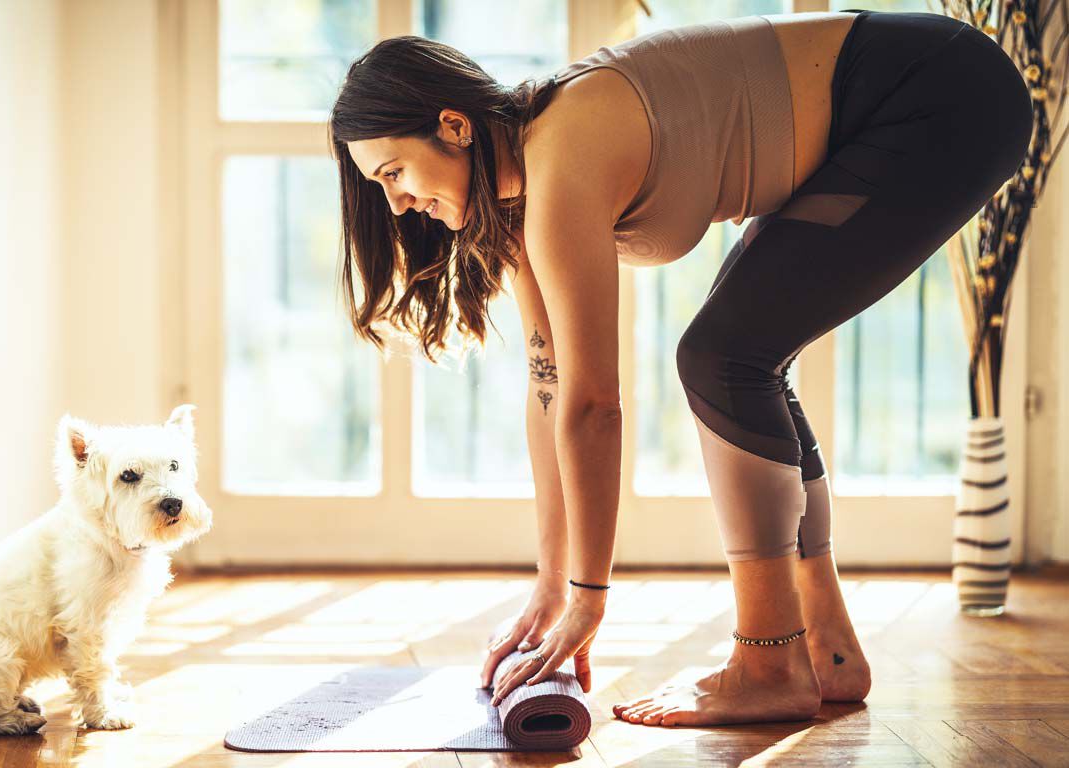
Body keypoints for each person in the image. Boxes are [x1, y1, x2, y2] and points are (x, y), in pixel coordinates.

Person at [330, 9, 1033, 727]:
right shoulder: (523, 198)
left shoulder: (562, 151)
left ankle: (768, 664)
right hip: (906, 105)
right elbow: (553, 389)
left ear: (454, 126)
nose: (397, 203)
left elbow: (596, 404)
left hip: (939, 91)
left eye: (394, 172)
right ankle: (827, 651)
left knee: (724, 356)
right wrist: (551, 585)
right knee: (742, 353)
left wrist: (588, 597)